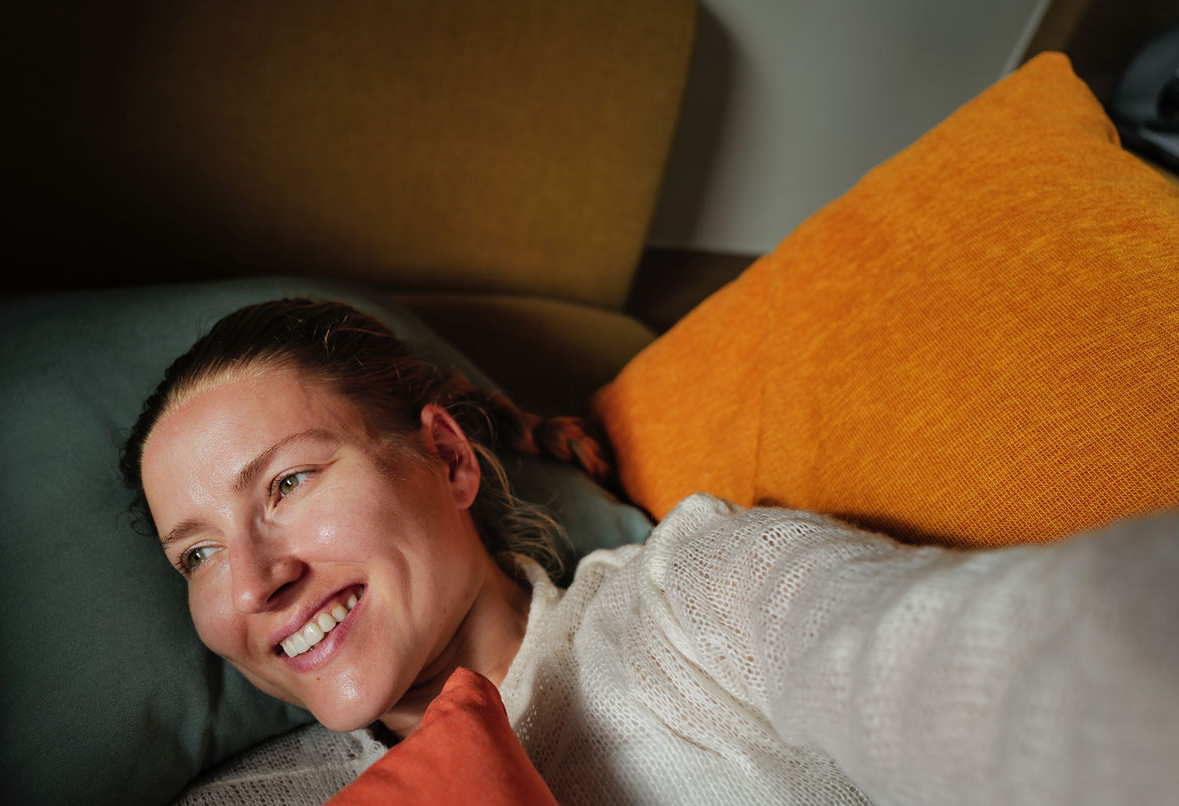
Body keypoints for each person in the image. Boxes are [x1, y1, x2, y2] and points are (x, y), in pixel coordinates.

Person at [122, 298, 1178, 805]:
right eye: (197, 554)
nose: (254, 580)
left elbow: (988, 663)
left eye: (289, 483)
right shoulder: (249, 805)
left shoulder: (694, 601)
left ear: (445, 460)